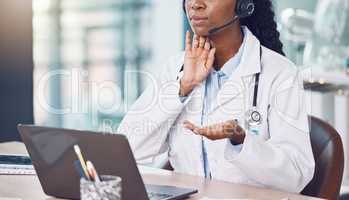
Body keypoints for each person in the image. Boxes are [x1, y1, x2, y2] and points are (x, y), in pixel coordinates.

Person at [117, 0, 315, 193]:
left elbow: (296, 174)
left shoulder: (280, 74)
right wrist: (182, 88)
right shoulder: (176, 68)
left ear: (243, 4)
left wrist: (241, 139)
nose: (195, 4)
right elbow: (125, 151)